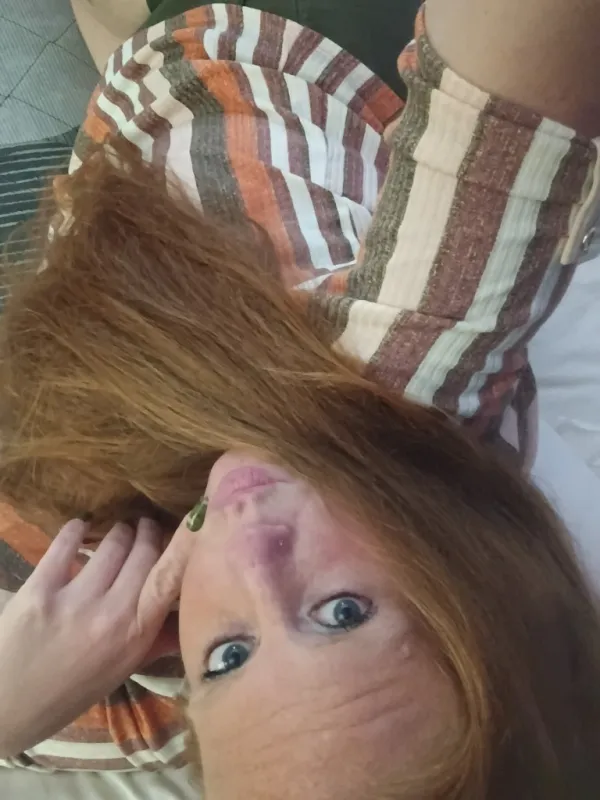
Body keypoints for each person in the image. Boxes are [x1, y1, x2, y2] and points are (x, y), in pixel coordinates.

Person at [1, 0, 600, 797]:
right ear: (480, 563)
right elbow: (512, 109)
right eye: (343, 612)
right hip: (289, 55)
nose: (248, 549)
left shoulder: (143, 684)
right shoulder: (409, 402)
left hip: (129, 113)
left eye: (229, 656)